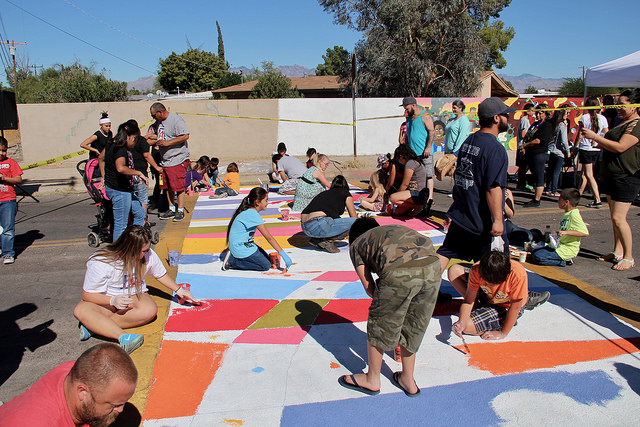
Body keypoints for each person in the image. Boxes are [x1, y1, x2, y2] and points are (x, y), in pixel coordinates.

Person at [338, 218, 440, 397]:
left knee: (379, 322)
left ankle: (372, 379)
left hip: (399, 272)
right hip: (433, 266)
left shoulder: (356, 245)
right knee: (414, 323)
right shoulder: (391, 230)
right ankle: (408, 379)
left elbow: (370, 288)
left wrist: (388, 311)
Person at [73, 225, 200, 354]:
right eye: (143, 251)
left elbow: (160, 274)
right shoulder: (101, 262)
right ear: (130, 249)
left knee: (149, 310)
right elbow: (87, 295)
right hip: (106, 301)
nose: (147, 253)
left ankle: (95, 325)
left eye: (147, 249)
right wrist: (112, 300)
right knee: (81, 310)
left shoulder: (148, 254)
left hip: (133, 297)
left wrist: (179, 290)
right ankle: (123, 336)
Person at [437, 97, 512, 274]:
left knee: (445, 252)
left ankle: (424, 289)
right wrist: (499, 221)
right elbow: (493, 188)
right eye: (505, 115)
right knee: (499, 264)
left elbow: (462, 177)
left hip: (462, 214)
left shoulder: (469, 141)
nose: (507, 119)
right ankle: (500, 298)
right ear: (496, 118)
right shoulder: (495, 149)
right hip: (483, 220)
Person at [0, 343, 137, 427]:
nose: (120, 410)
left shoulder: (79, 372)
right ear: (82, 392)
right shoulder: (40, 422)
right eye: (114, 405)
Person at [581, 89, 640, 271]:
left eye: (622, 104)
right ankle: (617, 252)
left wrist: (596, 137)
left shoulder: (637, 125)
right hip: (612, 175)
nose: (618, 108)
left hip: (626, 177)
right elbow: (614, 145)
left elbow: (622, 147)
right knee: (614, 219)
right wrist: (600, 143)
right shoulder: (622, 123)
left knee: (618, 218)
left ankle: (629, 257)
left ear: (635, 105)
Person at [451, 251, 549, 341]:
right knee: (454, 271)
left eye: (494, 284)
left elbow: (514, 308)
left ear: (506, 276)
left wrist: (502, 333)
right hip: (488, 297)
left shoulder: (517, 274)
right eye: (486, 281)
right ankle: (523, 296)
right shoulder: (476, 269)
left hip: (506, 305)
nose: (489, 285)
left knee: (468, 328)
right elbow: (468, 300)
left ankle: (523, 300)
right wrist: (462, 322)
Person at [98, 120, 148, 242]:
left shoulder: (111, 143)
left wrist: (104, 177)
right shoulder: (120, 149)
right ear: (128, 136)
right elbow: (120, 168)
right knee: (121, 224)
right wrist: (138, 172)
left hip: (125, 189)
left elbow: (101, 158)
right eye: (135, 139)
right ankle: (119, 255)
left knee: (140, 213)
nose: (135, 142)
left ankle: (135, 242)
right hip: (119, 191)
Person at [222, 187, 292, 271]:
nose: (268, 203)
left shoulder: (250, 212)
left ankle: (238, 258)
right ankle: (232, 262)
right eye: (266, 200)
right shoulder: (252, 214)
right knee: (265, 266)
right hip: (240, 247)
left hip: (246, 245)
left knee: (268, 261)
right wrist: (284, 255)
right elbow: (269, 237)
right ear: (257, 202)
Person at [150, 102, 190, 222]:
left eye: (153, 115)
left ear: (160, 112)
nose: (153, 118)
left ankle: (180, 210)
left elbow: (185, 136)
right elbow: (161, 136)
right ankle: (171, 208)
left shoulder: (176, 120)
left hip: (177, 159)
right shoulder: (159, 123)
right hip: (165, 160)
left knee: (178, 186)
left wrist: (168, 143)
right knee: (168, 186)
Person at [529, 188, 589, 266]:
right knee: (533, 247)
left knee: (538, 256)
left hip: (567, 250)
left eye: (560, 199)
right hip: (559, 245)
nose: (558, 202)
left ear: (566, 202)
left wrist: (565, 232)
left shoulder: (574, 215)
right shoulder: (567, 213)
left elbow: (584, 232)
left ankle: (563, 261)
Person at [301, 175, 358, 253]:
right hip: (319, 223)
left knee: (332, 222)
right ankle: (328, 240)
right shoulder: (345, 192)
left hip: (305, 227)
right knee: (357, 223)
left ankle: (318, 239)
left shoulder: (324, 194)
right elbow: (354, 217)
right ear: (346, 187)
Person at [401, 97, 435, 214]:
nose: (406, 110)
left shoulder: (424, 115)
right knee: (415, 177)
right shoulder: (409, 118)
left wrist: (428, 146)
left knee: (428, 176)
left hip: (424, 152)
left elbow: (431, 131)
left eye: (407, 108)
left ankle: (429, 199)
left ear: (413, 105)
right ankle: (417, 199)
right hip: (413, 154)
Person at [575, 96, 608, 208]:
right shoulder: (603, 118)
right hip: (597, 148)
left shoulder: (584, 118)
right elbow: (606, 133)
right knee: (584, 174)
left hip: (586, 149)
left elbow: (580, 134)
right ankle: (577, 197)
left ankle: (597, 199)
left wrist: (575, 146)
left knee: (589, 175)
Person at [521, 105, 554, 207]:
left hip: (539, 152)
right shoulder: (535, 124)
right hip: (531, 152)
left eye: (541, 113)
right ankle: (535, 197)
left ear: (545, 114)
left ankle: (537, 199)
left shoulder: (546, 126)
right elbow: (527, 135)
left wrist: (525, 145)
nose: (538, 115)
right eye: (537, 113)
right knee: (534, 175)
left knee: (539, 175)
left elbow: (538, 140)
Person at [0, 136, 23, 265]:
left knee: (7, 228)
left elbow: (18, 179)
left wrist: (4, 178)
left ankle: (8, 253)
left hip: (8, 200)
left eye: (3, 150)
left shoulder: (11, 163)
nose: (1, 153)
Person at [389, 144, 429, 216]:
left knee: (392, 198)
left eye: (398, 160)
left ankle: (418, 206)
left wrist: (397, 196)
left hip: (418, 193)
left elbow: (405, 184)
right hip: (417, 193)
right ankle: (416, 207)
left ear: (401, 156)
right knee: (398, 212)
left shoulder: (410, 163)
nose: (399, 162)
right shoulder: (415, 162)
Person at [131, 130, 163, 219]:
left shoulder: (124, 142)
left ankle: (135, 220)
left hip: (129, 174)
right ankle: (144, 221)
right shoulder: (141, 141)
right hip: (140, 174)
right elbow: (146, 155)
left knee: (133, 198)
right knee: (142, 199)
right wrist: (157, 167)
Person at [545, 106, 572, 197]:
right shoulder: (562, 125)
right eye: (566, 113)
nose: (568, 115)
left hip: (551, 150)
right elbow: (564, 140)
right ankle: (554, 190)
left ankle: (548, 189)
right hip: (558, 151)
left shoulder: (553, 123)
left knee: (551, 171)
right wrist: (567, 151)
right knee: (556, 172)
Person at [515, 103, 535, 191]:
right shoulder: (524, 120)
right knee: (523, 166)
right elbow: (523, 134)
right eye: (532, 110)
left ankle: (522, 183)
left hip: (523, 146)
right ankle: (520, 184)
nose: (534, 112)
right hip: (522, 146)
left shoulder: (526, 120)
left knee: (524, 166)